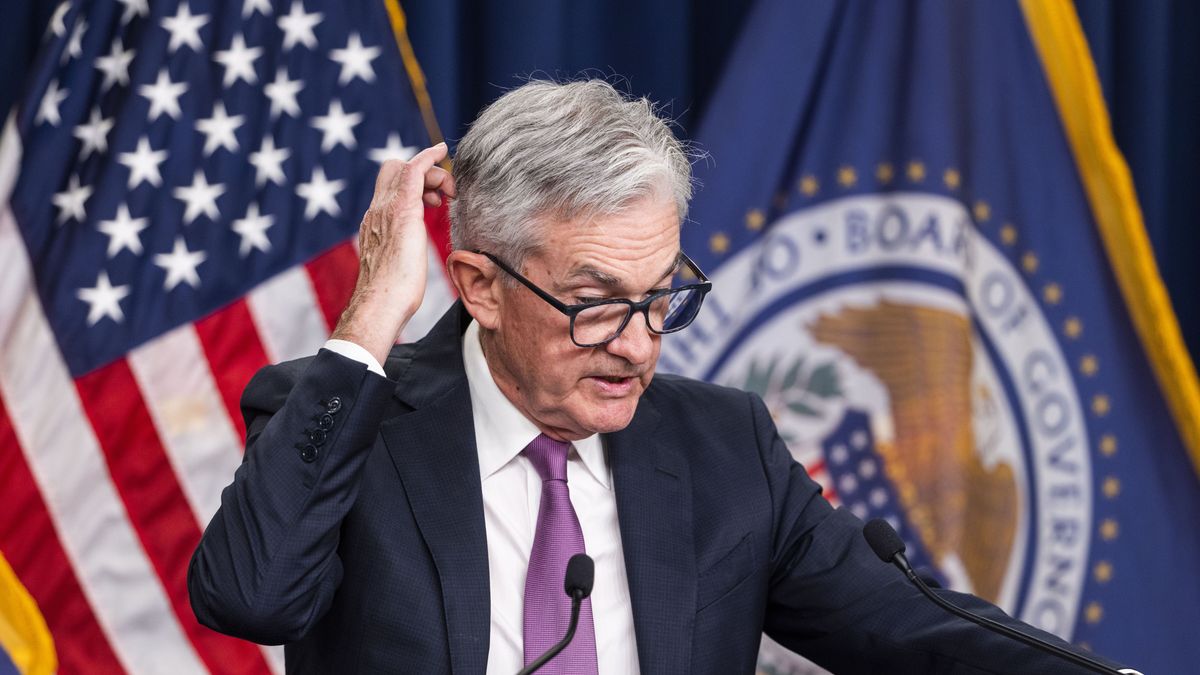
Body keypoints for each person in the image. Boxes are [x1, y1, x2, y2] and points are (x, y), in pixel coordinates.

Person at [188, 80, 1130, 674]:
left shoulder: (725, 447)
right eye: (594, 303)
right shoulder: (352, 418)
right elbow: (250, 598)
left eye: (660, 296)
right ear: (477, 284)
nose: (639, 345)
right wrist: (372, 319)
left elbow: (909, 630)